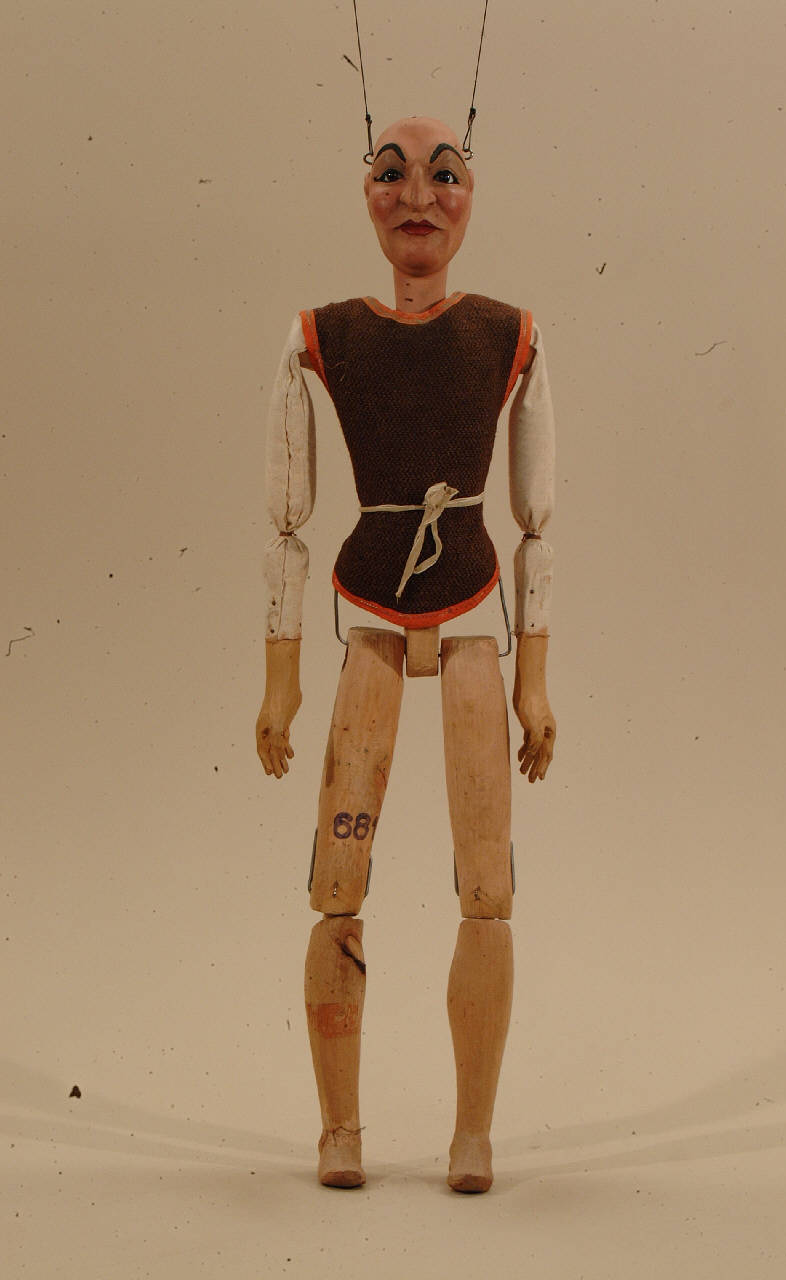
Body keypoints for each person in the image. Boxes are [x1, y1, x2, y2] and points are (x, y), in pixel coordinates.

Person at [256, 116, 556, 1192]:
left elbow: (535, 524)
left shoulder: (509, 333)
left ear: (471, 195)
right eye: (391, 172)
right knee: (338, 880)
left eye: (444, 173)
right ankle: (339, 1130)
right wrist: (282, 680)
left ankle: (473, 1132)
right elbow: (286, 520)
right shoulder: (324, 336)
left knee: (487, 883)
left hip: (472, 615)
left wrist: (532, 683)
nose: (418, 195)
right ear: (365, 192)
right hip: (370, 612)